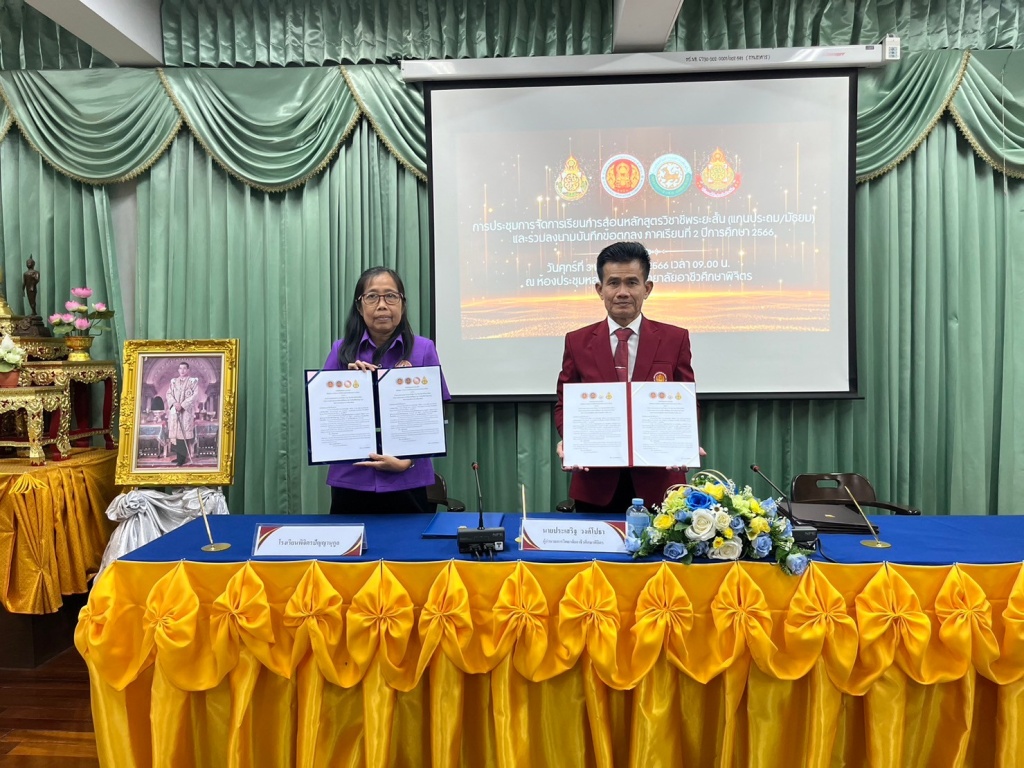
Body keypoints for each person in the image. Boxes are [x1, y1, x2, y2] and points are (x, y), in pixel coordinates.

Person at [555, 241, 696, 514]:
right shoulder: (577, 341)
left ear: (647, 288)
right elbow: (564, 404)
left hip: (659, 482)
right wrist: (572, 439)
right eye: (613, 283)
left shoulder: (675, 338)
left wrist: (684, 443)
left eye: (632, 282)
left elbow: (687, 402)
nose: (622, 292)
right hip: (596, 482)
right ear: (600, 289)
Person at [322, 267, 450, 514]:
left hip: (407, 478)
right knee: (353, 539)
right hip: (352, 477)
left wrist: (407, 462)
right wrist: (344, 385)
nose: (382, 305)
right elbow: (325, 414)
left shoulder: (423, 349)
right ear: (359, 307)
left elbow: (435, 416)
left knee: (410, 540)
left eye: (391, 296)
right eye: (372, 297)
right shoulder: (341, 351)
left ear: (402, 304)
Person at [166, 361, 199, 466]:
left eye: (184, 368)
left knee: (182, 435)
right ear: (178, 370)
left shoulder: (192, 382)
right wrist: (175, 403)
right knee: (176, 435)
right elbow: (169, 394)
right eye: (180, 368)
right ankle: (178, 457)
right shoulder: (174, 382)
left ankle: (182, 459)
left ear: (188, 370)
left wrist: (183, 405)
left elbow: (194, 395)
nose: (182, 370)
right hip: (175, 411)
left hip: (185, 412)